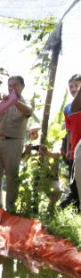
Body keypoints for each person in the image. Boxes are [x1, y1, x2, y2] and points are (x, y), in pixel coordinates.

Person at [0, 75, 32, 212]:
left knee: (12, 175)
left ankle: (10, 207)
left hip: (14, 143)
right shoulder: (2, 102)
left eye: (15, 85)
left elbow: (28, 111)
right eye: (9, 85)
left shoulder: (25, 102)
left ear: (22, 87)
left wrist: (12, 100)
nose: (11, 88)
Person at [61, 74, 81, 209]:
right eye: (71, 87)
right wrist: (68, 149)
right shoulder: (68, 108)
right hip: (74, 150)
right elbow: (69, 131)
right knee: (74, 182)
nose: (73, 89)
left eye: (76, 86)